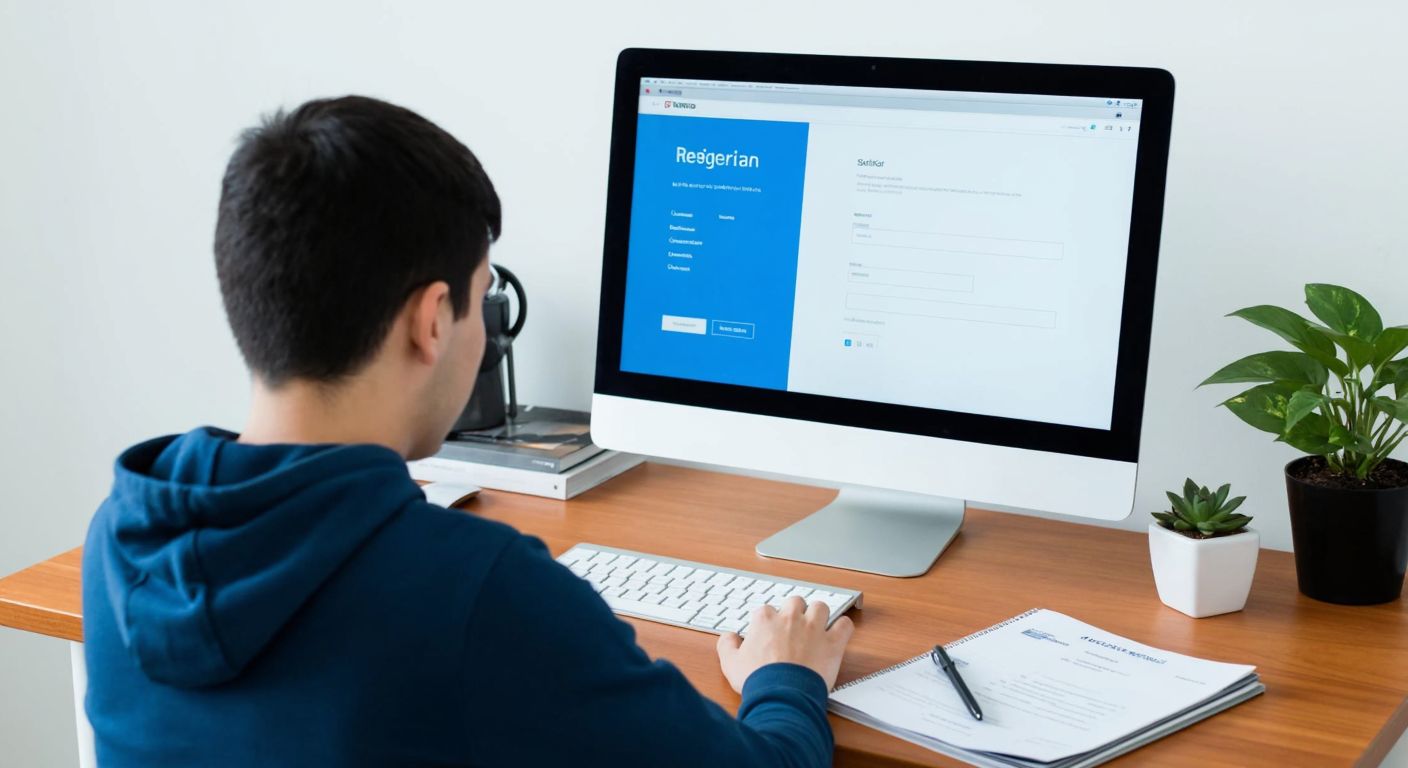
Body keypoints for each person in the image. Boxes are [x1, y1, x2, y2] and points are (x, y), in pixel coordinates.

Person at [81, 95, 854, 767]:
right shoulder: (477, 595)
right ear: (430, 321)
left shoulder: (124, 538)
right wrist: (787, 677)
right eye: (483, 298)